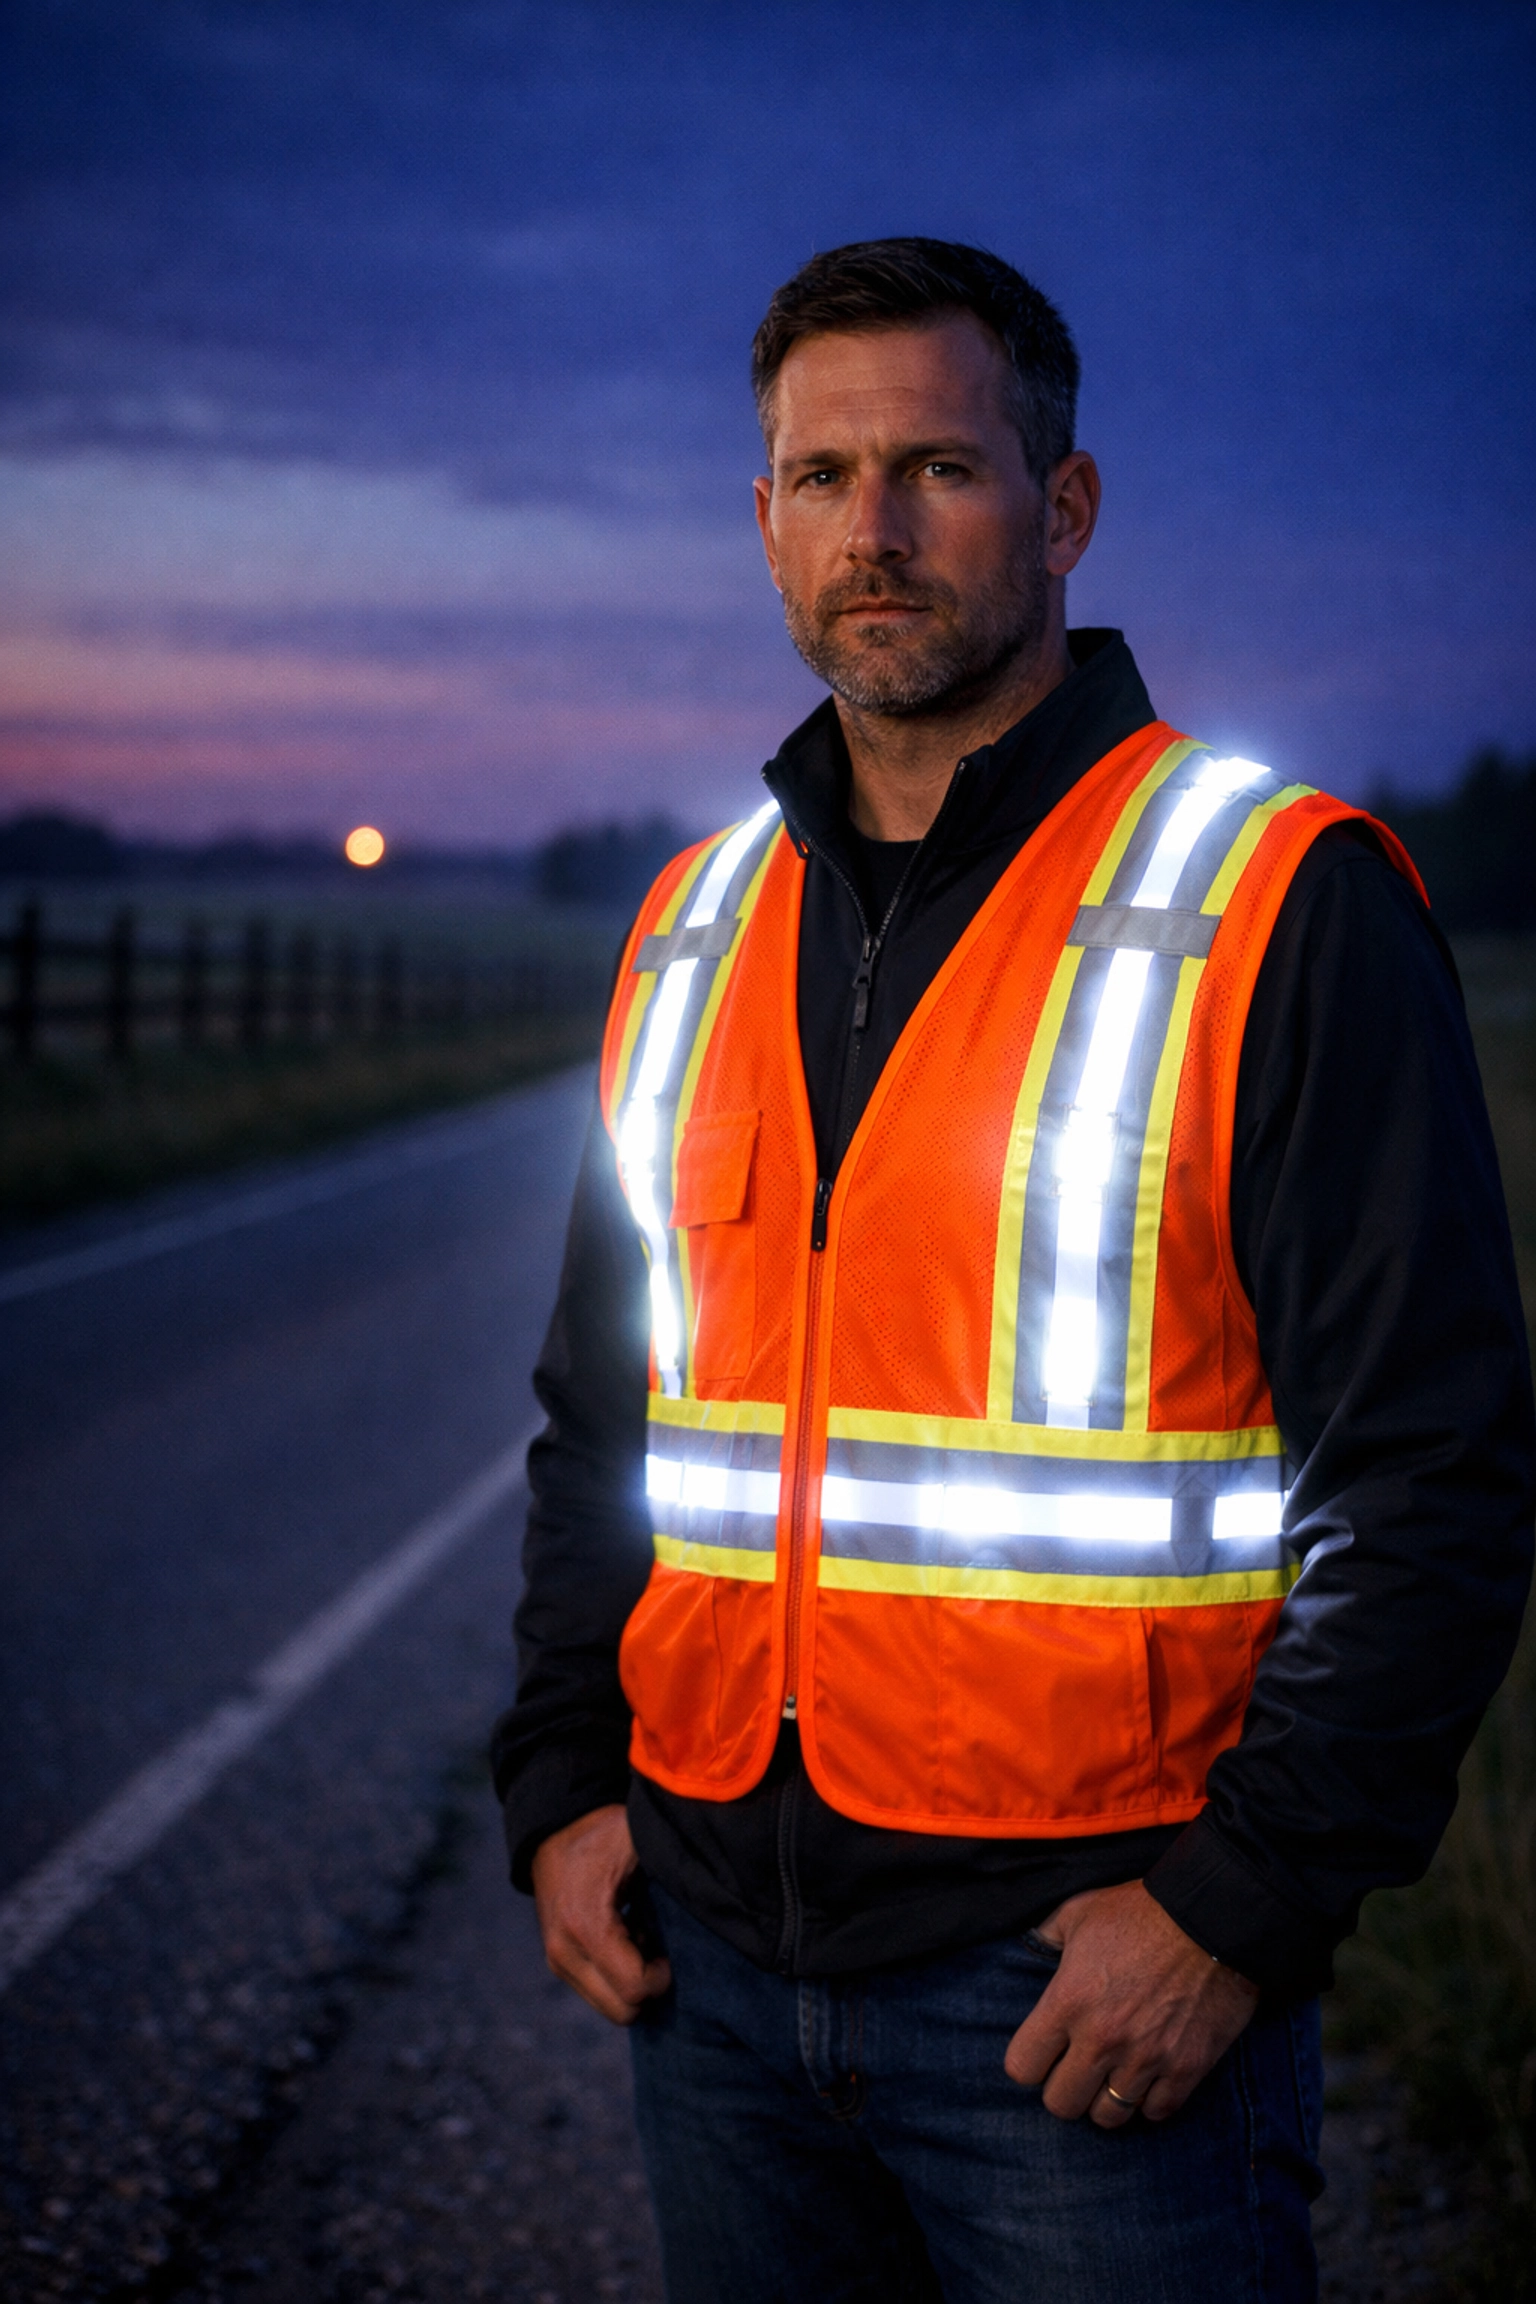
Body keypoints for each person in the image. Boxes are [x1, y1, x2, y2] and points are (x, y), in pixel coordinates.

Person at [491, 239, 1534, 2302]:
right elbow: (601, 1424)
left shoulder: (1272, 896)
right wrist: (556, 1785)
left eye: (937, 469)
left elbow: (1439, 1469)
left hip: (1081, 2011)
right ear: (762, 517)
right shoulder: (693, 924)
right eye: (817, 476)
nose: (870, 534)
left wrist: (1240, 1909)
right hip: (712, 1981)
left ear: (1062, 508)